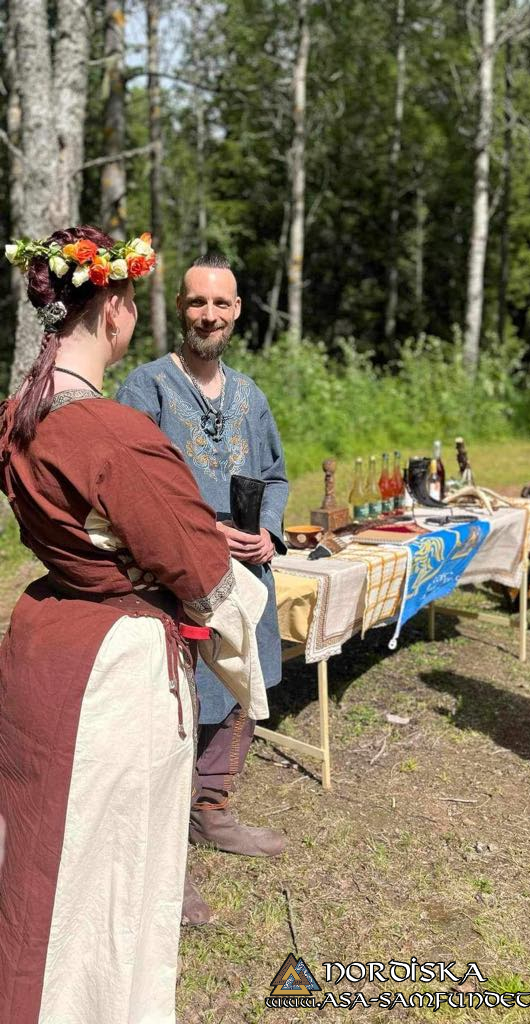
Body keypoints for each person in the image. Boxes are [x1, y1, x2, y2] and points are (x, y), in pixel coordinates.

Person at [0, 227, 266, 1024]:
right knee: (102, 868)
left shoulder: (21, 412)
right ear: (112, 308)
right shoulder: (115, 432)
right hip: (111, 676)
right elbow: (209, 583)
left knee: (40, 852)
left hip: (43, 645)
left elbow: (81, 523)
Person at [117, 253, 288, 921]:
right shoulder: (147, 389)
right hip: (178, 574)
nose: (208, 315)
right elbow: (128, 490)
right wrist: (205, 533)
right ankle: (163, 856)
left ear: (237, 310)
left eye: (220, 304)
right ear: (179, 308)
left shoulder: (250, 396)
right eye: (196, 303)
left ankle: (211, 809)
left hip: (248, 570)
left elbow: (272, 476)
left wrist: (267, 530)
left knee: (242, 683)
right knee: (177, 706)